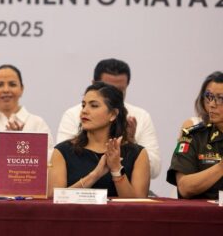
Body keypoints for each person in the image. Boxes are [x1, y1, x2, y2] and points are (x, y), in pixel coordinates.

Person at [56, 58, 161, 179]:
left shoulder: (141, 116)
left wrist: (131, 144)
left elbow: (155, 170)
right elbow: (63, 161)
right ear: (94, 84)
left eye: (119, 91)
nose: (113, 94)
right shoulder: (74, 114)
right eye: (107, 89)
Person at [49, 82, 150, 198]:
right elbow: (54, 199)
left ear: (113, 114)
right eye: (83, 105)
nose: (84, 111)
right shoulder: (63, 151)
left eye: (94, 106)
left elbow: (138, 205)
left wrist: (116, 169)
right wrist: (95, 175)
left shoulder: (137, 154)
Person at [0, 64, 53, 188]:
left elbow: (49, 161)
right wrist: (5, 146)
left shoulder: (37, 123)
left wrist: (18, 144)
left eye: (12, 84)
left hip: (29, 193)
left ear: (22, 89)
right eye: (0, 85)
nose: (6, 90)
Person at [167, 71, 223, 199]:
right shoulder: (192, 136)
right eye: (208, 96)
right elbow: (184, 187)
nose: (212, 104)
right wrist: (220, 168)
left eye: (220, 98)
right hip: (203, 210)